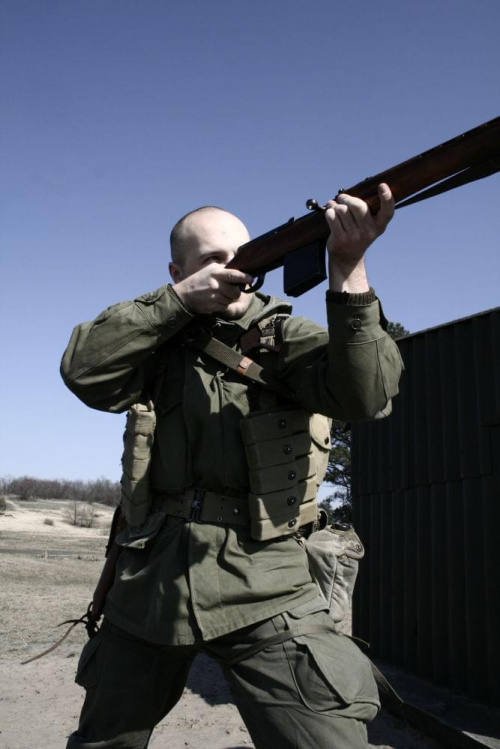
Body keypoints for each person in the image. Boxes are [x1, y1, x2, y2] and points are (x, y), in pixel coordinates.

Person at [61, 184, 403, 749]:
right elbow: (83, 371)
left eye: (240, 257)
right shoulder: (157, 335)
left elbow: (365, 396)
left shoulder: (286, 333)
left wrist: (349, 267)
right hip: (150, 579)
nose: (231, 271)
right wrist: (175, 303)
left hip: (267, 579)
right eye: (211, 261)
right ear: (179, 270)